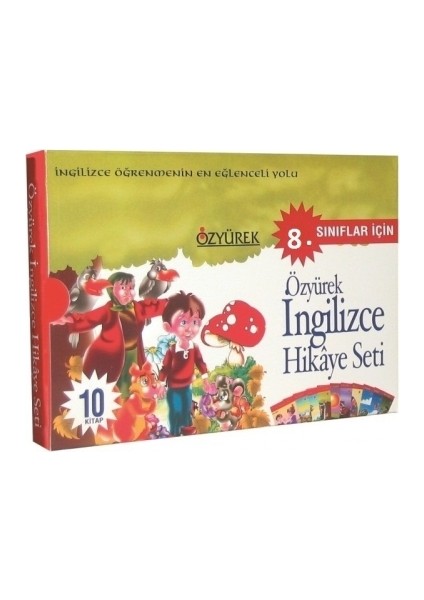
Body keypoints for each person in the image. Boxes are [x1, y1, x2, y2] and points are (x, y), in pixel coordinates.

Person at [66, 271, 167, 384]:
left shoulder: (137, 307)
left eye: (131, 287)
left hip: (133, 354)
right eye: (123, 287)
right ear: (111, 290)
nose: (128, 292)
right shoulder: (108, 310)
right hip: (111, 356)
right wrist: (69, 320)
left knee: (134, 383)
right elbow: (89, 319)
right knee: (114, 384)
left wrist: (173, 303)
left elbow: (157, 307)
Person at [159, 291, 208, 436]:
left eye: (195, 322)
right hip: (173, 389)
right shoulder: (172, 350)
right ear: (168, 327)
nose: (189, 328)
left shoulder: (194, 348)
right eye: (183, 322)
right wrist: (161, 384)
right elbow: (165, 368)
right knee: (176, 411)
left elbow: (200, 363)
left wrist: (205, 378)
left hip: (187, 387)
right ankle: (174, 433)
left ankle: (187, 431)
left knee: (187, 410)